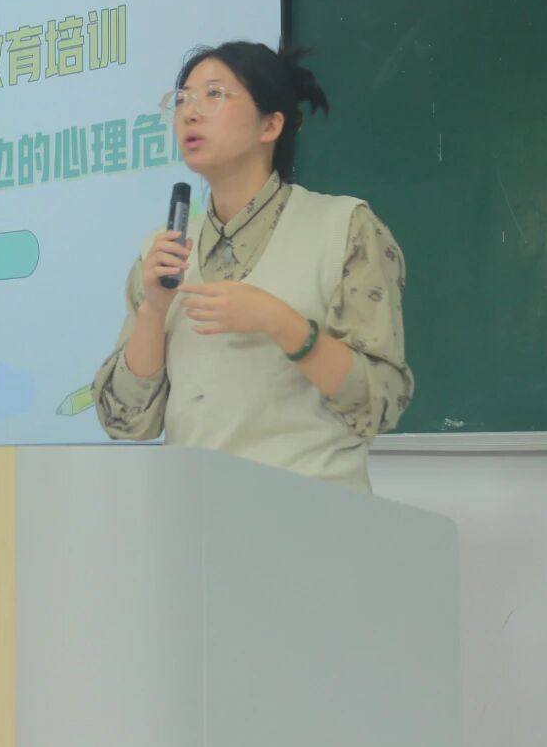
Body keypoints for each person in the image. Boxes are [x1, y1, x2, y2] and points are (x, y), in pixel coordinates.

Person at [92, 41, 414, 491]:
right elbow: (125, 421)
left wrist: (279, 322)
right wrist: (153, 309)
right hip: (195, 513)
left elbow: (379, 403)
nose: (189, 113)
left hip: (311, 511)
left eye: (214, 94)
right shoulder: (160, 252)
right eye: (182, 99)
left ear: (271, 124)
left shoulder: (346, 227)